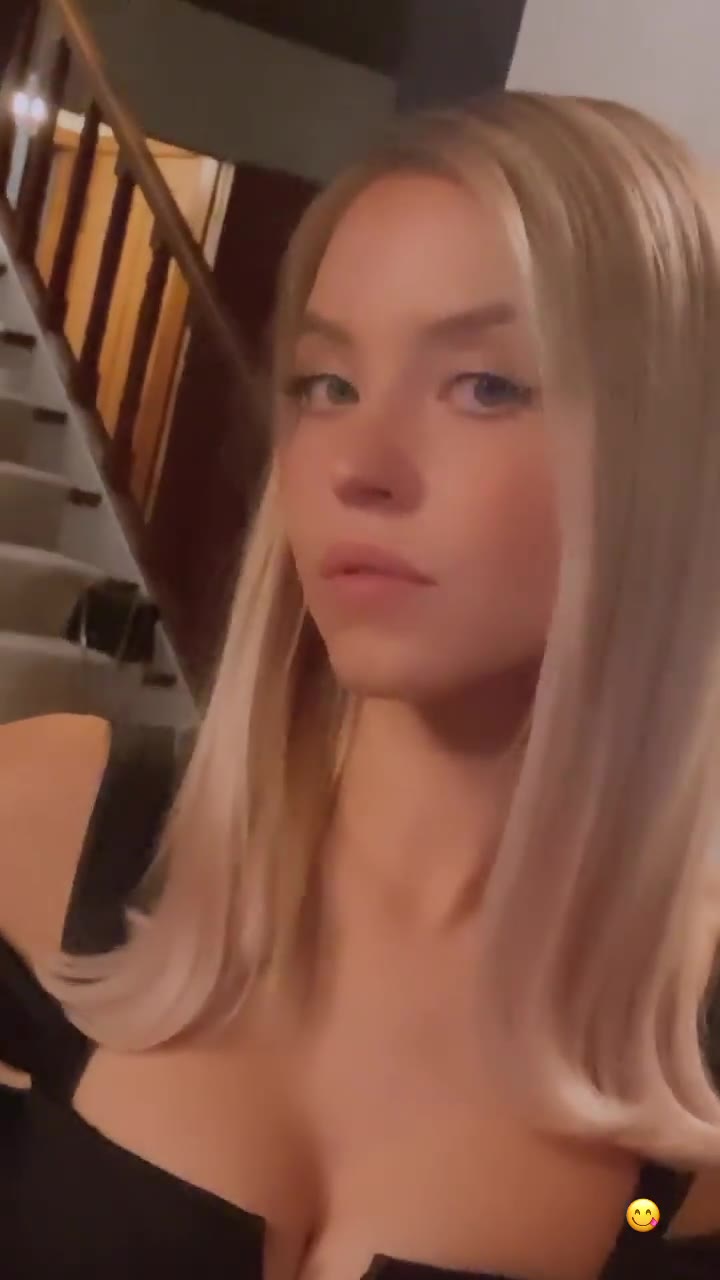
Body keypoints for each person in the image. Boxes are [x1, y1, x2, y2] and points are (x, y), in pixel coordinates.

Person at [2, 90, 720, 1279]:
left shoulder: (690, 1103)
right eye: (327, 383)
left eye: (484, 385)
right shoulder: (54, 826)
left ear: (673, 457)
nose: (357, 465)